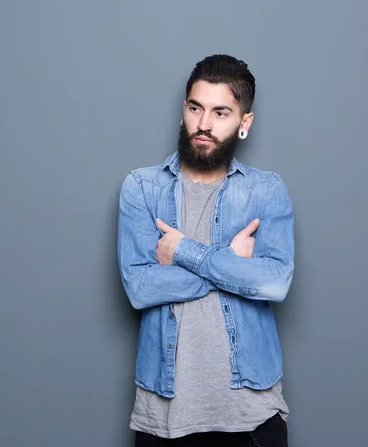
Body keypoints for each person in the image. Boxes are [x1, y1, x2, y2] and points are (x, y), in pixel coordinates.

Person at [117, 54, 294, 447]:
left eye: (221, 112)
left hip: (251, 418)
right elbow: (140, 288)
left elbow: (275, 282)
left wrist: (183, 252)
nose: (204, 124)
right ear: (183, 110)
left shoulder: (265, 191)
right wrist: (231, 266)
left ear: (244, 122)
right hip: (164, 417)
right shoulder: (142, 188)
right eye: (196, 108)